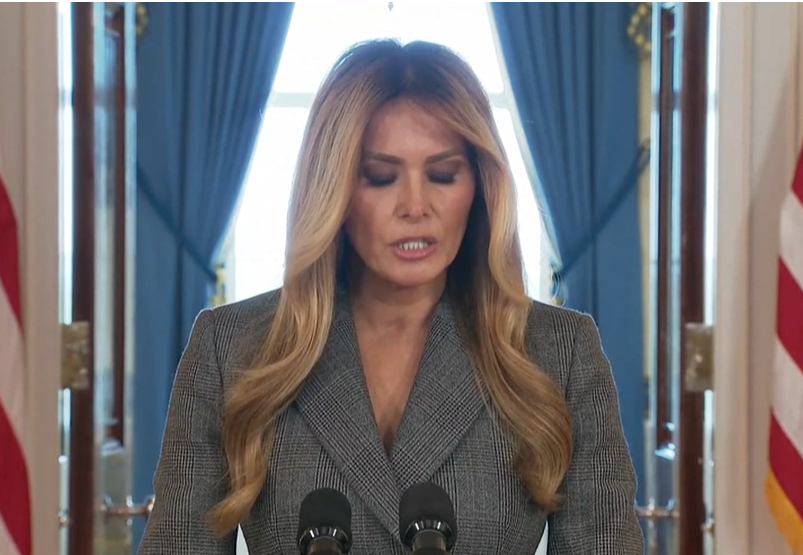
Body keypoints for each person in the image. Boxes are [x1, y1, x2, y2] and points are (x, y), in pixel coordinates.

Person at [138, 39, 643, 555]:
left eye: (443, 175)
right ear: (333, 187)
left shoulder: (560, 352)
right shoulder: (230, 348)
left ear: (479, 184)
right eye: (381, 177)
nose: (415, 206)